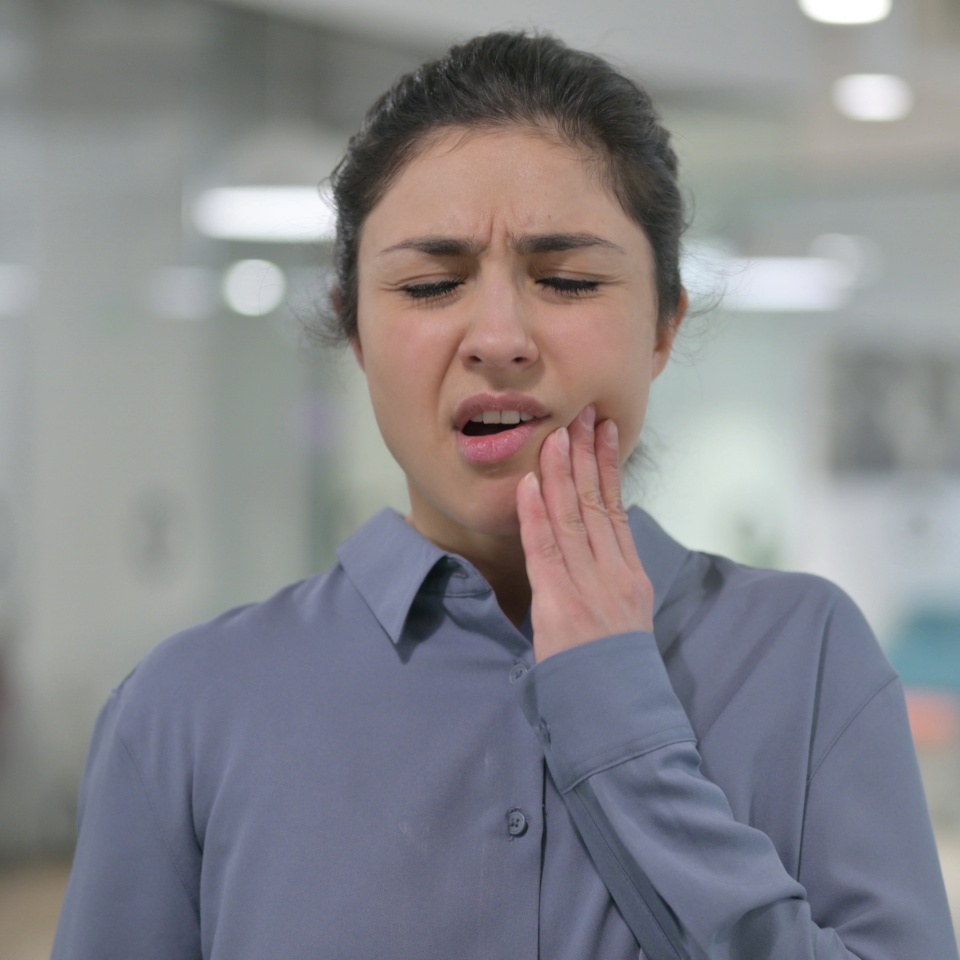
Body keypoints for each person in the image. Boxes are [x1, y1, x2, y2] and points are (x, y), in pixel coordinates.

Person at [52, 31, 958, 960]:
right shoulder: (187, 708)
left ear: (663, 327)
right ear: (354, 332)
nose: (499, 337)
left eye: (566, 280)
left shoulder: (805, 659)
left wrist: (620, 724)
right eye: (432, 284)